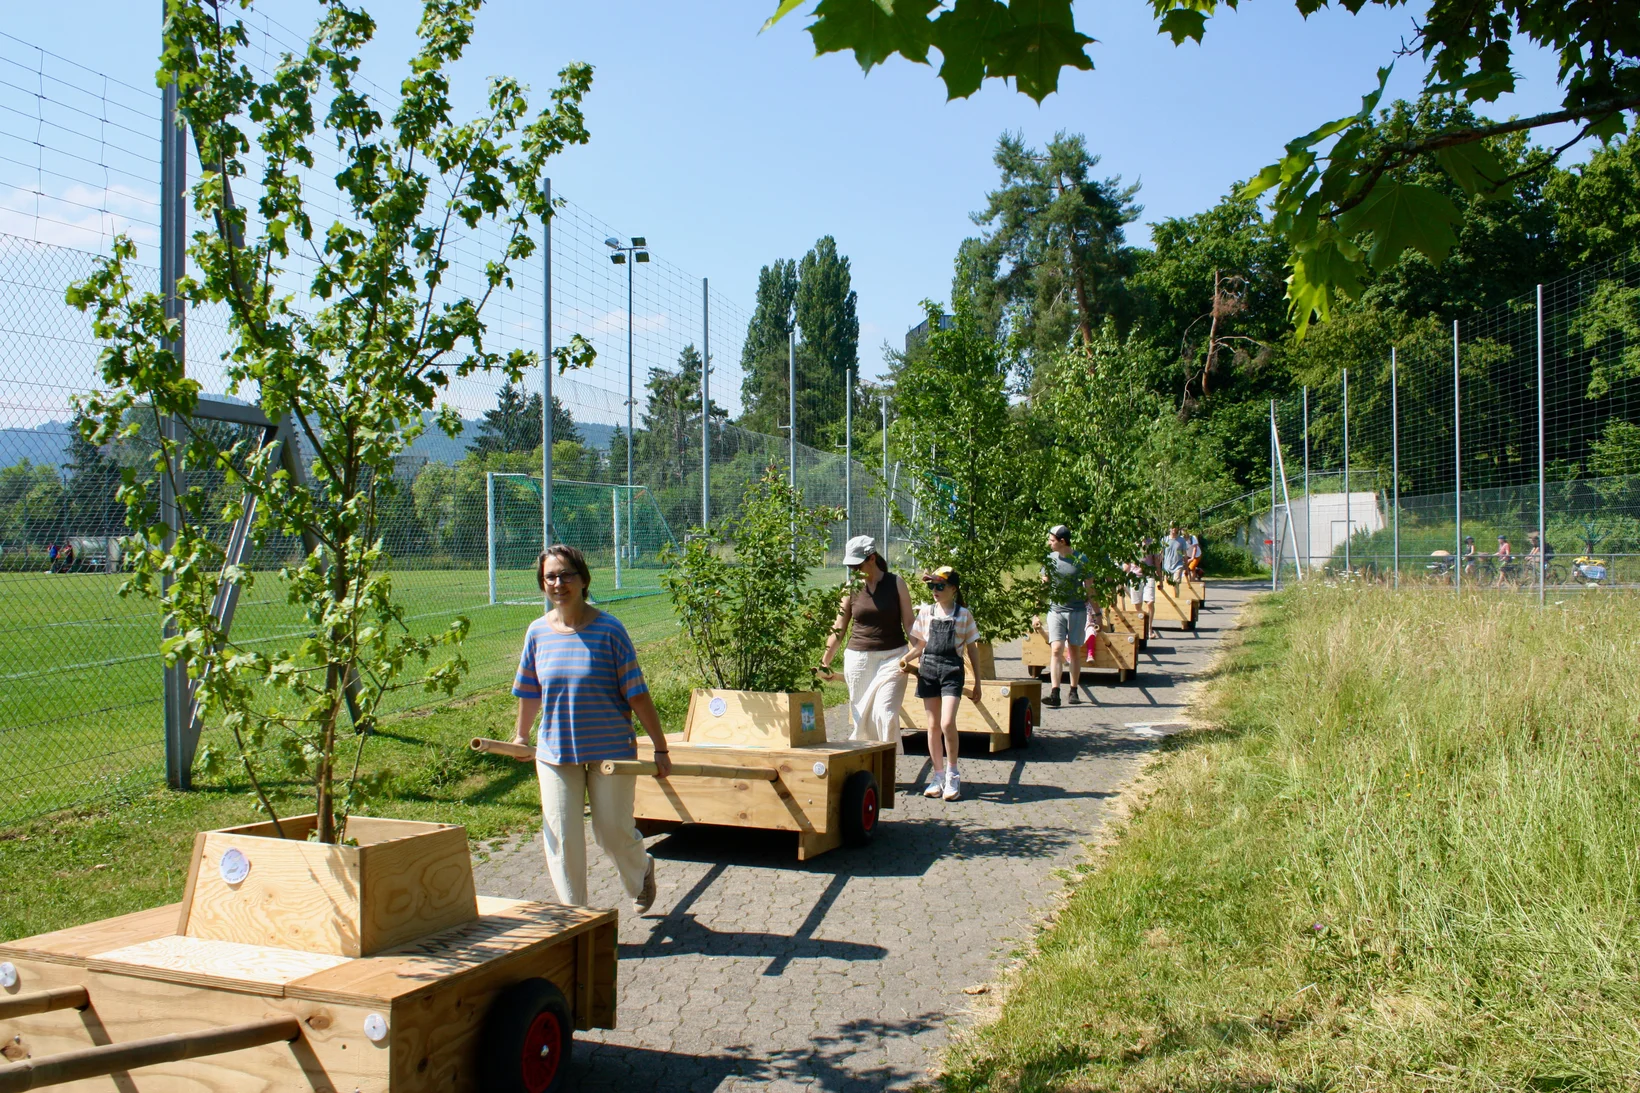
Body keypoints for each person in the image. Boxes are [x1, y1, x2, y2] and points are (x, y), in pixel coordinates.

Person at [511, 544, 672, 913]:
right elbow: (529, 691)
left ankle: (640, 871)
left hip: (610, 749)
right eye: (550, 576)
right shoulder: (537, 633)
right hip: (555, 751)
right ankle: (577, 922)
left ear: (583, 580)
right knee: (563, 839)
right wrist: (522, 736)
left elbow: (637, 695)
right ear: (542, 584)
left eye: (567, 574)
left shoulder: (610, 630)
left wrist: (661, 749)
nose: (558, 583)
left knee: (612, 833)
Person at [820, 535, 913, 744]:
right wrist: (825, 660)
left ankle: (887, 767)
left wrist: (920, 653)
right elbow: (838, 628)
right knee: (863, 721)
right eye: (851, 566)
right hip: (859, 660)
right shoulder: (850, 587)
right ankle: (869, 769)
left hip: (893, 658)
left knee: (886, 713)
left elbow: (909, 623)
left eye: (857, 565)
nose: (853, 570)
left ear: (871, 558)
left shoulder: (896, 583)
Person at [903, 566, 983, 801]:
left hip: (952, 672)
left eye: (940, 586)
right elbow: (919, 646)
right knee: (932, 725)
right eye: (932, 586)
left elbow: (972, 649)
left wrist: (977, 681)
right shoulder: (926, 612)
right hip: (928, 671)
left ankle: (952, 774)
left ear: (953, 589)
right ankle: (937, 777)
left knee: (947, 723)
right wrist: (905, 659)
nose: (935, 590)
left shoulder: (963, 615)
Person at [1042, 525, 1093, 708]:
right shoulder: (1049, 560)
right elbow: (1043, 586)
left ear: (1062, 542)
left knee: (1073, 649)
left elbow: (1090, 588)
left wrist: (1098, 613)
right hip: (1055, 610)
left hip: (1077, 611)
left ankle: (1073, 690)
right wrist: (1035, 612)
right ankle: (1055, 693)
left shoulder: (1081, 560)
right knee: (1056, 649)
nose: (1049, 543)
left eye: (1052, 540)